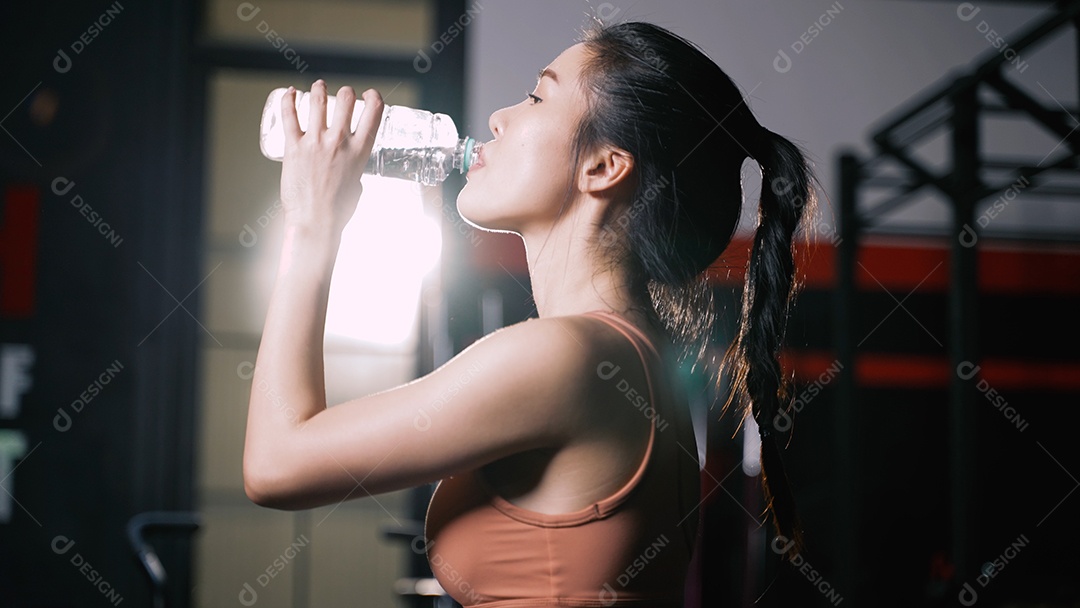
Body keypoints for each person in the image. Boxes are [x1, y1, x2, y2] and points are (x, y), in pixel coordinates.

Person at [243, 19, 815, 607]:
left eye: (537, 97)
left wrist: (311, 223)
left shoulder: (567, 356)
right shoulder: (627, 356)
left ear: (603, 167)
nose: (498, 118)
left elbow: (277, 465)